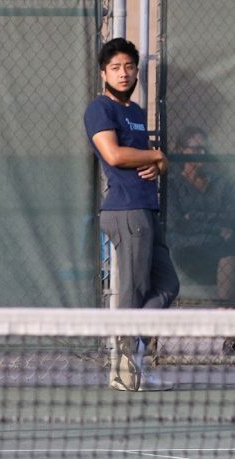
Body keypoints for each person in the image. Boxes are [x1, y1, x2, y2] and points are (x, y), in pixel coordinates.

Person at [84, 38, 179, 392]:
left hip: (146, 208)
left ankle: (132, 358)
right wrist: (156, 155)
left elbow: (153, 161)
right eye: (115, 68)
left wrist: (158, 161)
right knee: (134, 290)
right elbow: (113, 155)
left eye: (128, 67)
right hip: (125, 210)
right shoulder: (99, 109)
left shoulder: (136, 112)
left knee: (168, 286)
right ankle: (124, 370)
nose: (123, 74)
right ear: (103, 73)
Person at [165, 126, 235, 304]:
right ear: (181, 151)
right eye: (196, 149)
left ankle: (223, 314)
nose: (202, 153)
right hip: (186, 245)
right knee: (227, 255)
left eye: (205, 149)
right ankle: (223, 314)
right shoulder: (173, 184)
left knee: (228, 255)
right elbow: (177, 223)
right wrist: (217, 229)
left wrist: (194, 216)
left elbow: (229, 216)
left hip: (218, 242)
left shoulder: (219, 183)